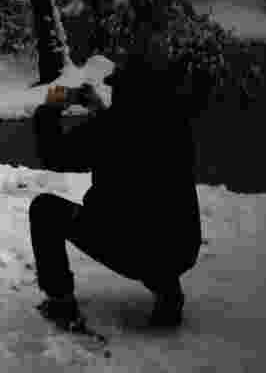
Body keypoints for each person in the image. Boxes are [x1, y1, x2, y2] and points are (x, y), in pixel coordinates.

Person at [29, 19, 203, 331]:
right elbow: (136, 136)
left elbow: (55, 156)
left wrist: (51, 108)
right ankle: (167, 291)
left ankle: (61, 301)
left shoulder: (110, 130)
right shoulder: (177, 122)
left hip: (131, 249)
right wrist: (103, 114)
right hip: (182, 249)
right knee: (159, 218)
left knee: (44, 209)